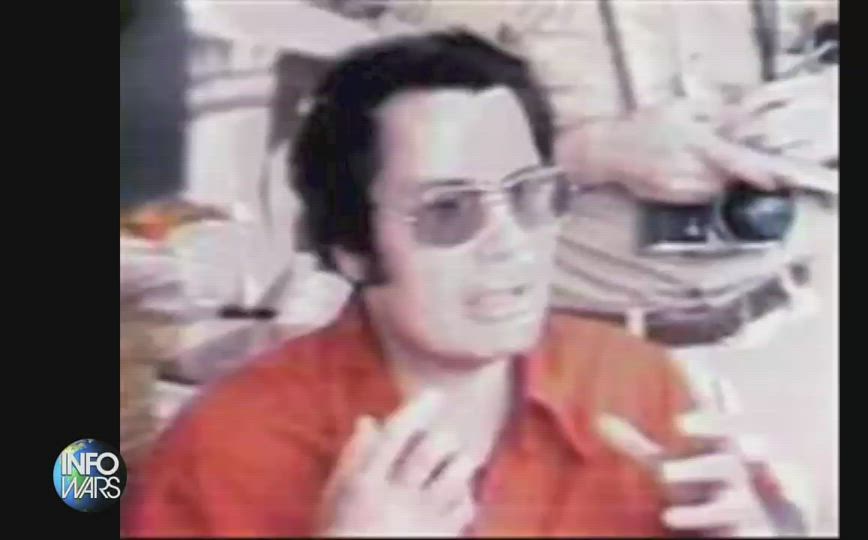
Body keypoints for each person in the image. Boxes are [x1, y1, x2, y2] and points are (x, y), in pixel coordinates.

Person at [121, 31, 802, 537]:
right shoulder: (228, 451)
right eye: (449, 210)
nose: (510, 243)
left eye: (530, 195)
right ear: (352, 249)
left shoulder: (641, 387)